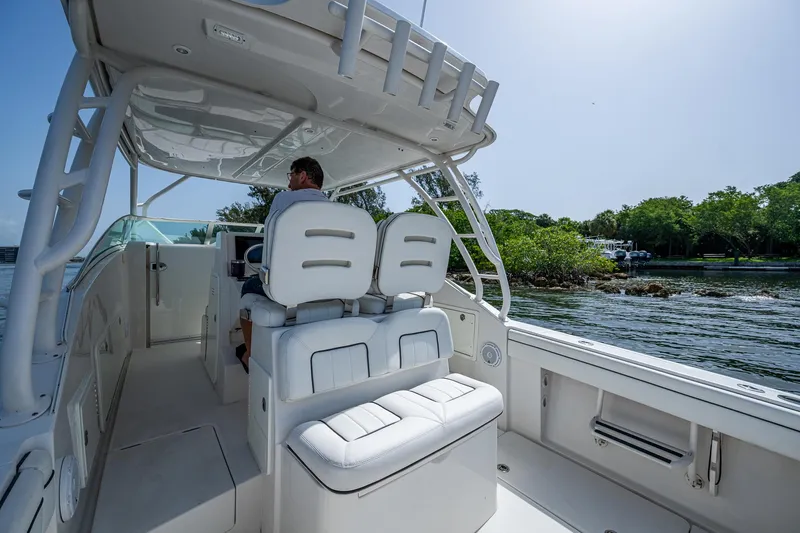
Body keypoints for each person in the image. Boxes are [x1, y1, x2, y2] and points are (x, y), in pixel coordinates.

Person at [236, 156, 329, 373]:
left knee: (248, 287)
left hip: (290, 290)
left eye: (291, 176)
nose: (289, 183)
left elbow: (270, 244)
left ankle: (249, 354)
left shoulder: (283, 199)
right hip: (324, 289)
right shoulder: (334, 208)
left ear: (303, 175)